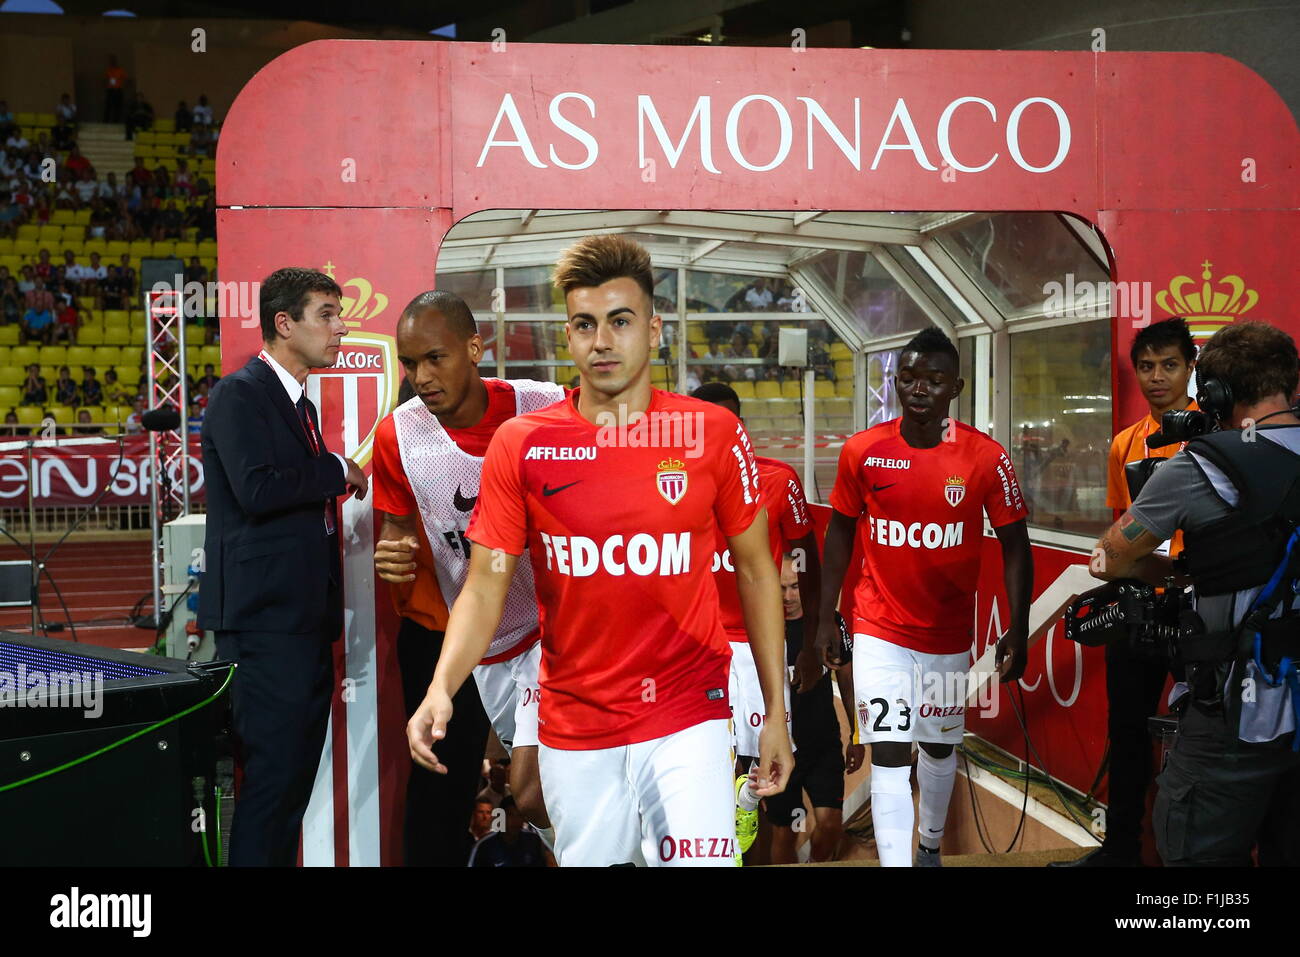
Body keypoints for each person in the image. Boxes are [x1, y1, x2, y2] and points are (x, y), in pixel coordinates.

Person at [406, 234, 793, 866]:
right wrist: (441, 687)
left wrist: (774, 712)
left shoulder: (712, 434)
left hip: (688, 712)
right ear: (568, 335)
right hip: (576, 722)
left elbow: (756, 570)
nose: (602, 341)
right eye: (585, 325)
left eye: (620, 321)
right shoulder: (522, 444)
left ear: (655, 329)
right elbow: (485, 583)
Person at [816, 327, 1033, 867]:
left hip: (946, 635)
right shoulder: (863, 451)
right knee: (888, 753)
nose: (918, 390)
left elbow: (1015, 545)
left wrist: (1019, 626)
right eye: (908, 377)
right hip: (878, 628)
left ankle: (930, 848)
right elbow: (840, 531)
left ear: (954, 388)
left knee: (938, 747)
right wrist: (827, 617)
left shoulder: (986, 458)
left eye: (933, 381)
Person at [1090, 320, 1300, 866]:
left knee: (1195, 854)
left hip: (1236, 705)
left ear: (1215, 394)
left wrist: (1172, 572)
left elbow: (1109, 556)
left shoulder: (1200, 463)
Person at [371, 291, 564, 864]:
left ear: (475, 349)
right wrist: (393, 552)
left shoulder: (548, 409)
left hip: (560, 631)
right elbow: (398, 528)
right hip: (479, 639)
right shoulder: (397, 437)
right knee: (483, 790)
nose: (421, 377)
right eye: (409, 364)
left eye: (435, 358)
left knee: (533, 787)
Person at [197, 267, 368, 866]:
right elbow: (258, 490)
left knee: (288, 788)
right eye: (326, 314)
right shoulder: (239, 393)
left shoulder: (299, 405)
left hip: (300, 624)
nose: (339, 328)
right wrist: (334, 469)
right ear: (283, 323)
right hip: (264, 628)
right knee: (271, 789)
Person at [1053, 317, 1198, 868]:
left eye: (1169, 365)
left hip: (1203, 609)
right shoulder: (1124, 445)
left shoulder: (1215, 438)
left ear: (1190, 369)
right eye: (1146, 366)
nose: (1156, 377)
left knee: (1201, 737)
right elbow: (1123, 531)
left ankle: (1196, 862)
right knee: (1128, 731)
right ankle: (1120, 852)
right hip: (1140, 605)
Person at [692, 381, 821, 864]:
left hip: (755, 648)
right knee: (706, 769)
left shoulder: (777, 480)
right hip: (697, 646)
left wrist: (809, 642)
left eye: (728, 422)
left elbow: (809, 559)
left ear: (740, 426)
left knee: (763, 776)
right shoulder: (672, 480)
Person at [767, 556, 862, 864]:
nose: (788, 596)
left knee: (831, 824)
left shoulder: (830, 624)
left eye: (795, 586)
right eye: (781, 588)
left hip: (822, 745)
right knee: (786, 833)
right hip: (781, 748)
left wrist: (857, 737)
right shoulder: (762, 627)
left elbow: (847, 683)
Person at [468, 796, 554, 867]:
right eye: (510, 815)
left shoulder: (533, 841)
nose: (515, 820)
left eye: (519, 815)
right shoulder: (484, 846)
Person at [104, 56, 127, 123]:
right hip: (110, 90)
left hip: (118, 90)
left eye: (113, 61)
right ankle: (106, 121)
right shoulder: (108, 70)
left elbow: (124, 79)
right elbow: (105, 79)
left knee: (117, 107)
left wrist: (120, 86)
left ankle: (115, 122)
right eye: (111, 61)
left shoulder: (120, 70)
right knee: (108, 106)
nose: (112, 63)